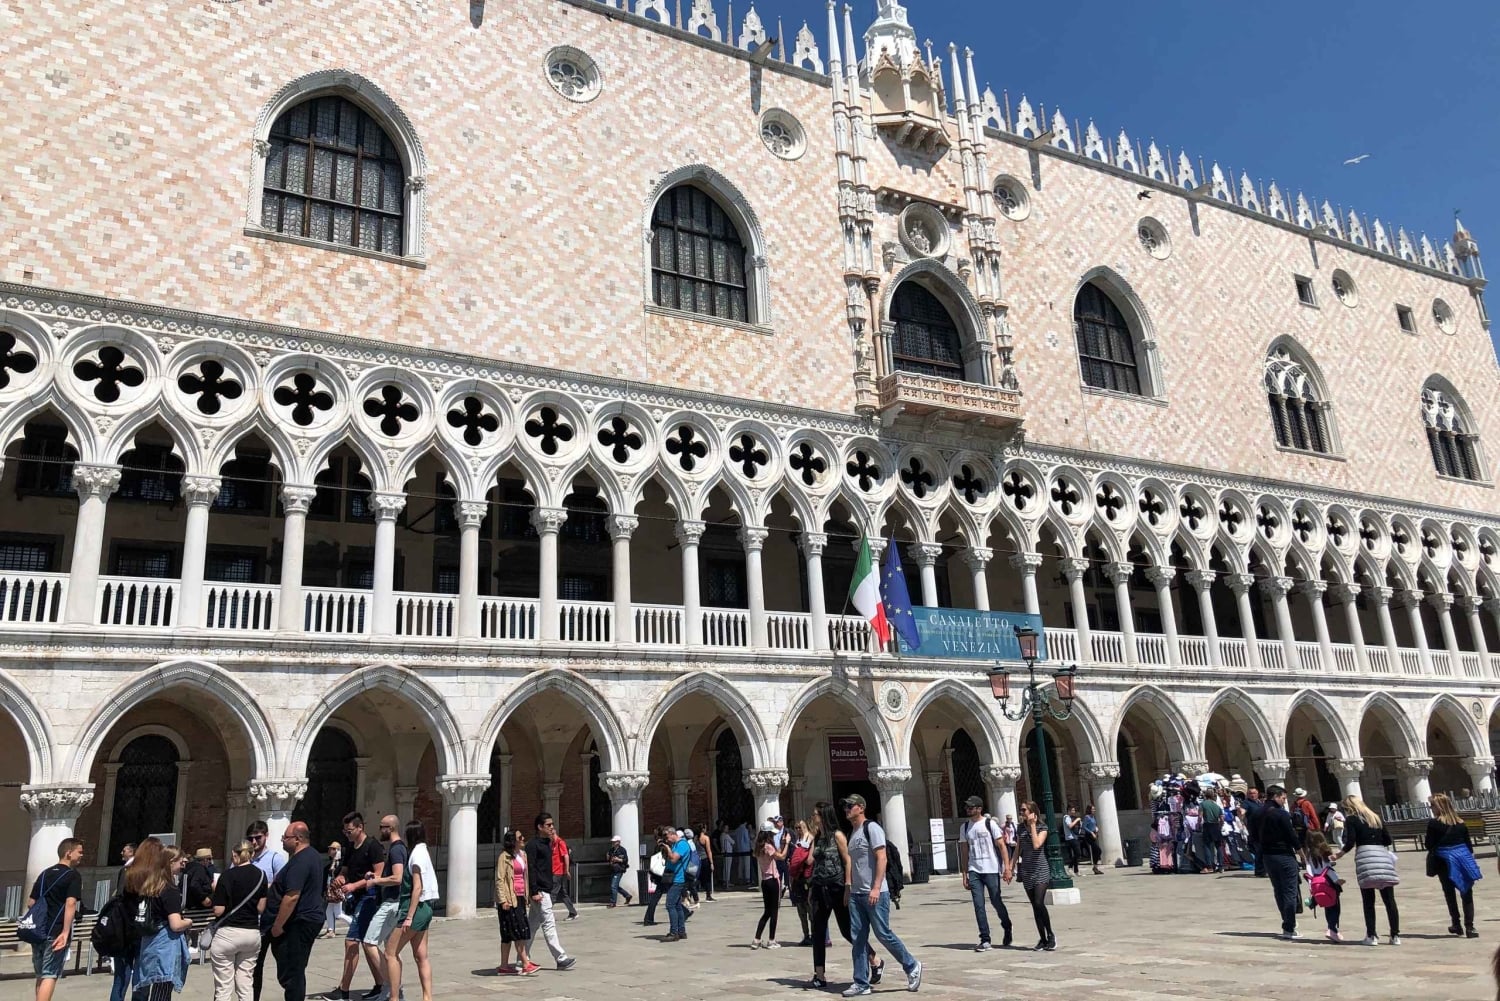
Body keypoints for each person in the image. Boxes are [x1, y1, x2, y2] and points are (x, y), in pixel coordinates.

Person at [843, 794, 921, 997]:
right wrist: (849, 888)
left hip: (875, 893)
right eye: (845, 806)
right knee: (858, 939)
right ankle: (861, 982)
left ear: (861, 807)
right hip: (857, 894)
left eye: (850, 806)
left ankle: (911, 965)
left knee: (883, 933)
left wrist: (876, 887)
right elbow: (853, 863)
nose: (846, 809)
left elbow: (881, 857)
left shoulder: (872, 829)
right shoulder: (853, 832)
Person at [804, 801, 880, 991]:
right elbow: (809, 860)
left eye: (816, 814)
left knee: (847, 930)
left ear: (824, 815)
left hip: (838, 888)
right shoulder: (818, 837)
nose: (813, 817)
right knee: (818, 931)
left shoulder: (837, 836)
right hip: (820, 888)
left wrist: (848, 886)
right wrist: (809, 839)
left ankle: (874, 959)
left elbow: (847, 861)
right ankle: (819, 974)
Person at [323, 811, 387, 1001]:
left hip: (370, 898)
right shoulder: (350, 847)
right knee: (368, 944)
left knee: (352, 941)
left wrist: (354, 885)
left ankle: (343, 990)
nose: (347, 834)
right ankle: (382, 984)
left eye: (350, 830)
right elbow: (345, 870)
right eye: (345, 831)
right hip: (356, 899)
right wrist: (340, 879)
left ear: (360, 828)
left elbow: (378, 875)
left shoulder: (373, 846)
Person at [1332, 794, 1400, 946]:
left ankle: (1371, 935)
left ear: (1349, 808)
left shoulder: (1352, 820)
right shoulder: (1375, 817)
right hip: (1382, 856)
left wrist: (1339, 854)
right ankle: (1395, 935)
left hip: (1365, 858)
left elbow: (1350, 842)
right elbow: (1388, 840)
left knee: (1368, 900)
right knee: (1389, 899)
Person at [267, 822, 325, 1001]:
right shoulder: (313, 856)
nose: (283, 841)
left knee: (292, 970)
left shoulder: (301, 860)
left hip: (300, 921)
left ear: (298, 839)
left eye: (286, 837)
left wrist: (278, 925)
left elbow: (292, 896)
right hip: (308, 918)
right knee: (294, 968)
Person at [27, 837, 83, 1001]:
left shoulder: (44, 874)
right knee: (50, 974)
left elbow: (31, 902)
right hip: (56, 930)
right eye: (79, 852)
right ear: (68, 853)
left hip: (38, 931)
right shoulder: (72, 876)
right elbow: (71, 903)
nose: (81, 855)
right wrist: (66, 931)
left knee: (41, 975)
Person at [385, 820, 436, 1001]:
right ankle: (427, 997)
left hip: (414, 909)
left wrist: (409, 917)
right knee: (421, 955)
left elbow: (417, 887)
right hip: (427, 908)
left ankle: (394, 997)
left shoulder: (415, 855)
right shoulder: (425, 852)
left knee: (390, 952)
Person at [211, 841, 268, 1001]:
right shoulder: (262, 875)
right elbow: (261, 908)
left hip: (228, 934)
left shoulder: (227, 876)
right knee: (245, 983)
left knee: (224, 986)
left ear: (235, 855)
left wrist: (216, 892)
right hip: (251, 933)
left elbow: (218, 910)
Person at [958, 795, 1012, 951]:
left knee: (996, 901)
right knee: (978, 905)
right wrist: (964, 873)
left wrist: (1007, 868)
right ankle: (985, 938)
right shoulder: (965, 827)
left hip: (991, 868)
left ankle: (1007, 925)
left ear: (979, 808)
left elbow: (1002, 846)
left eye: (971, 807)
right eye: (967, 807)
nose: (968, 809)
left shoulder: (990, 824)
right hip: (975, 869)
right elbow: (964, 850)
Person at [1426, 792, 1482, 938]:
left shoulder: (1434, 824)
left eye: (1432, 805)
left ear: (1440, 806)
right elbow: (1468, 845)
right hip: (1463, 860)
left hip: (1443, 862)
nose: (1431, 808)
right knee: (1467, 893)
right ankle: (1470, 927)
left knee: (1449, 894)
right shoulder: (1460, 823)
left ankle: (1456, 924)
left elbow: (1429, 844)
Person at [364, 814, 408, 993]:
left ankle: (391, 987)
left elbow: (397, 878)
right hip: (395, 903)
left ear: (390, 828)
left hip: (391, 904)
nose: (379, 830)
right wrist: (377, 877)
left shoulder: (397, 850)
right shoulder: (399, 848)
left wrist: (375, 882)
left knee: (369, 942)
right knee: (392, 952)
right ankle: (395, 990)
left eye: (382, 826)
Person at [526, 813, 576, 970]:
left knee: (532, 926)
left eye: (552, 824)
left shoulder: (548, 843)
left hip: (545, 888)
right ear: (540, 827)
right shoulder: (533, 845)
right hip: (540, 891)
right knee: (549, 923)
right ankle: (560, 958)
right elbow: (531, 869)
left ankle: (522, 958)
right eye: (548, 825)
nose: (552, 827)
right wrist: (534, 891)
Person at [248, 819, 288, 1001]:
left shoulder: (275, 858)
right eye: (251, 839)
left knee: (284, 963)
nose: (254, 842)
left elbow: (283, 886)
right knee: (255, 966)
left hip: (270, 918)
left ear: (266, 836)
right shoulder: (245, 859)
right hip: (250, 920)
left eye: (258, 838)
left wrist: (264, 887)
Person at [1011, 800, 1055, 952]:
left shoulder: (1043, 827)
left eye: (1024, 810)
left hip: (1041, 869)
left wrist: (1033, 826)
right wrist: (1010, 867)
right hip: (1027, 870)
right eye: (1021, 810)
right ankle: (1042, 939)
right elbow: (1018, 849)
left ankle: (1050, 935)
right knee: (1034, 907)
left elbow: (1037, 845)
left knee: (1039, 902)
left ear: (1032, 812)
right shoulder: (1020, 828)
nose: (1021, 813)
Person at [1258, 785, 1301, 940]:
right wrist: (1301, 853)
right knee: (1290, 890)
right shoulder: (1280, 814)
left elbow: (1253, 833)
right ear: (1276, 796)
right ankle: (1289, 926)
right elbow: (1291, 835)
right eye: (1283, 798)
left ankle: (1287, 922)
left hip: (1268, 856)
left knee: (1279, 890)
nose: (1284, 801)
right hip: (1284, 855)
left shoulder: (1259, 812)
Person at [494, 830, 537, 976]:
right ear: (513, 841)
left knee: (511, 932)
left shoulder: (522, 855)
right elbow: (500, 879)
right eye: (520, 837)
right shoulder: (504, 857)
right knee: (516, 931)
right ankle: (525, 963)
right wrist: (503, 899)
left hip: (520, 897)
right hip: (509, 898)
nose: (523, 839)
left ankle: (504, 966)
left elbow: (525, 876)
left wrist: (527, 895)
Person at [750, 825, 787, 949]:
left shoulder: (758, 847)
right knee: (774, 911)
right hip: (773, 879)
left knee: (767, 911)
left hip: (765, 881)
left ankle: (757, 938)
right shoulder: (768, 846)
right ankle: (771, 939)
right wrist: (786, 844)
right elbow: (781, 856)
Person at [1303, 831, 1343, 943]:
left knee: (1326, 905)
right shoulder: (1324, 852)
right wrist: (1337, 880)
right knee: (1335, 906)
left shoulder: (1310, 854)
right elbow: (1328, 869)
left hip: (1316, 882)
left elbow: (1309, 869)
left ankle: (1332, 928)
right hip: (1328, 881)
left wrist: (1311, 885)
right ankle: (1332, 928)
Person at [662, 827, 691, 942]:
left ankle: (674, 932)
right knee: (677, 905)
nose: (666, 839)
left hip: (678, 879)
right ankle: (681, 931)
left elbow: (673, 859)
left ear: (672, 834)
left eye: (666, 836)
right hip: (673, 878)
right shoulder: (675, 845)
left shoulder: (682, 845)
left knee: (670, 905)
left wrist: (668, 848)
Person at [787, 820, 814, 946]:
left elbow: (809, 860)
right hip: (797, 877)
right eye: (796, 827)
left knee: (810, 907)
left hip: (807, 877)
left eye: (801, 827)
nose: (798, 829)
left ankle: (815, 935)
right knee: (800, 908)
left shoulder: (811, 839)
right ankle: (806, 935)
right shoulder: (797, 841)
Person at [550, 826, 577, 921]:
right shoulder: (552, 844)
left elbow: (566, 856)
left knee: (553, 893)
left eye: (550, 834)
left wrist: (567, 870)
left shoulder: (560, 842)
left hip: (559, 872)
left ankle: (547, 913)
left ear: (553, 833)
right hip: (555, 871)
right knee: (563, 893)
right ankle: (573, 912)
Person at [321, 843, 344, 939]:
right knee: (328, 910)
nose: (330, 851)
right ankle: (330, 930)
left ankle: (356, 925)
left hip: (337, 889)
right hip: (331, 890)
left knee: (339, 913)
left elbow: (337, 873)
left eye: (333, 849)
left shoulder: (340, 863)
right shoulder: (331, 862)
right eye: (330, 849)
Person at [1198, 793, 1223, 874]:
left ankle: (1209, 867)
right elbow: (1222, 819)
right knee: (1218, 846)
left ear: (1205, 797)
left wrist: (1199, 825)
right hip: (1216, 826)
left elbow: (1200, 816)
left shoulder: (1203, 804)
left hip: (1207, 825)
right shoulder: (1217, 806)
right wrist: (1220, 826)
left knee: (1207, 846)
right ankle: (1221, 867)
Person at [606, 835, 633, 908]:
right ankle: (627, 896)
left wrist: (618, 860)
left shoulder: (622, 850)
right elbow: (609, 858)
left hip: (619, 869)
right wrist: (608, 857)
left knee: (613, 886)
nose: (613, 843)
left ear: (618, 842)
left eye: (614, 842)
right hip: (613, 869)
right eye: (613, 842)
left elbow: (625, 860)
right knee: (615, 886)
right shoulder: (611, 850)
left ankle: (613, 902)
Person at [696, 825, 715, 901]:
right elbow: (708, 850)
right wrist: (711, 862)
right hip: (705, 859)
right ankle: (708, 895)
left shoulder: (695, 838)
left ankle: (693, 894)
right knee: (707, 877)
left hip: (697, 859)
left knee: (698, 877)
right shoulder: (706, 838)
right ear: (703, 829)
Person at [1062, 807, 1082, 876]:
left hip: (1075, 837)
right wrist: (1077, 820)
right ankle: (1070, 867)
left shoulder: (1072, 817)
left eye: (1074, 810)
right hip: (1070, 838)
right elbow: (1070, 826)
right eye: (1072, 810)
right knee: (1078, 853)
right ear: (1068, 811)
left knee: (1076, 855)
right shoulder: (1066, 817)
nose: (1074, 812)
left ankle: (1076, 871)